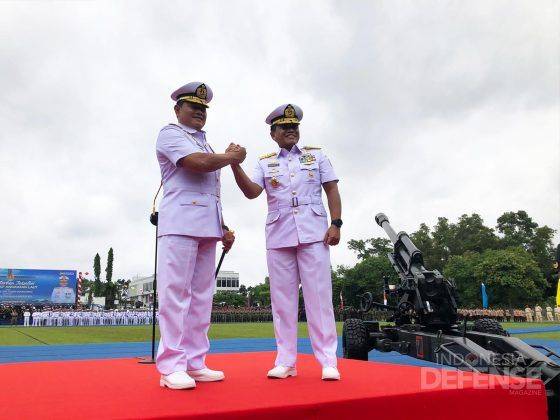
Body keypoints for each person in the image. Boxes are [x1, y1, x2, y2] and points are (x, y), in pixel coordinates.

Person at [228, 103, 342, 381]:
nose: (291, 130)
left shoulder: (317, 156)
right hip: (279, 235)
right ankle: (286, 361)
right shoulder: (265, 162)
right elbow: (253, 192)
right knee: (282, 302)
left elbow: (332, 189)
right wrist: (234, 165)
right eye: (284, 127)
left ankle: (328, 361)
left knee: (319, 299)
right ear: (273, 133)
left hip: (315, 231)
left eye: (294, 126)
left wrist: (336, 223)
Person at [155, 81, 245, 390]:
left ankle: (195, 362)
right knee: (175, 296)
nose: (199, 112)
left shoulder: (205, 142)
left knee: (201, 299)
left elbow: (210, 193)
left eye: (203, 108)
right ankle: (170, 366)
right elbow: (197, 165)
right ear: (177, 109)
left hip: (207, 228)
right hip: (179, 224)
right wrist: (230, 157)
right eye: (193, 106)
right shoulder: (170, 134)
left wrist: (222, 228)